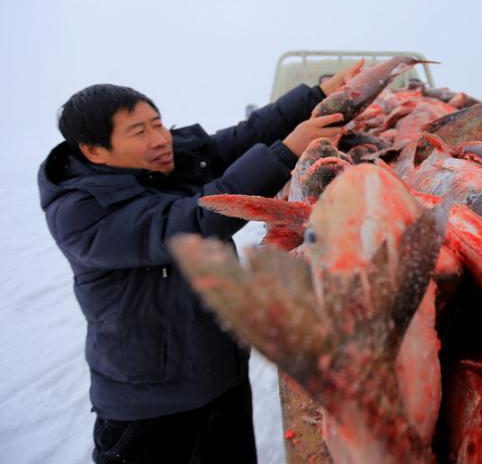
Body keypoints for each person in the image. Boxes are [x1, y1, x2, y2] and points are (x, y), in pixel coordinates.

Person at [37, 61, 362, 463]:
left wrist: (318, 93)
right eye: (139, 132)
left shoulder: (165, 162)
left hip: (221, 381)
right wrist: (285, 152)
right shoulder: (81, 211)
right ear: (93, 150)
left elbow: (248, 134)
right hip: (151, 410)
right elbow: (194, 222)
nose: (160, 139)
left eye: (158, 124)